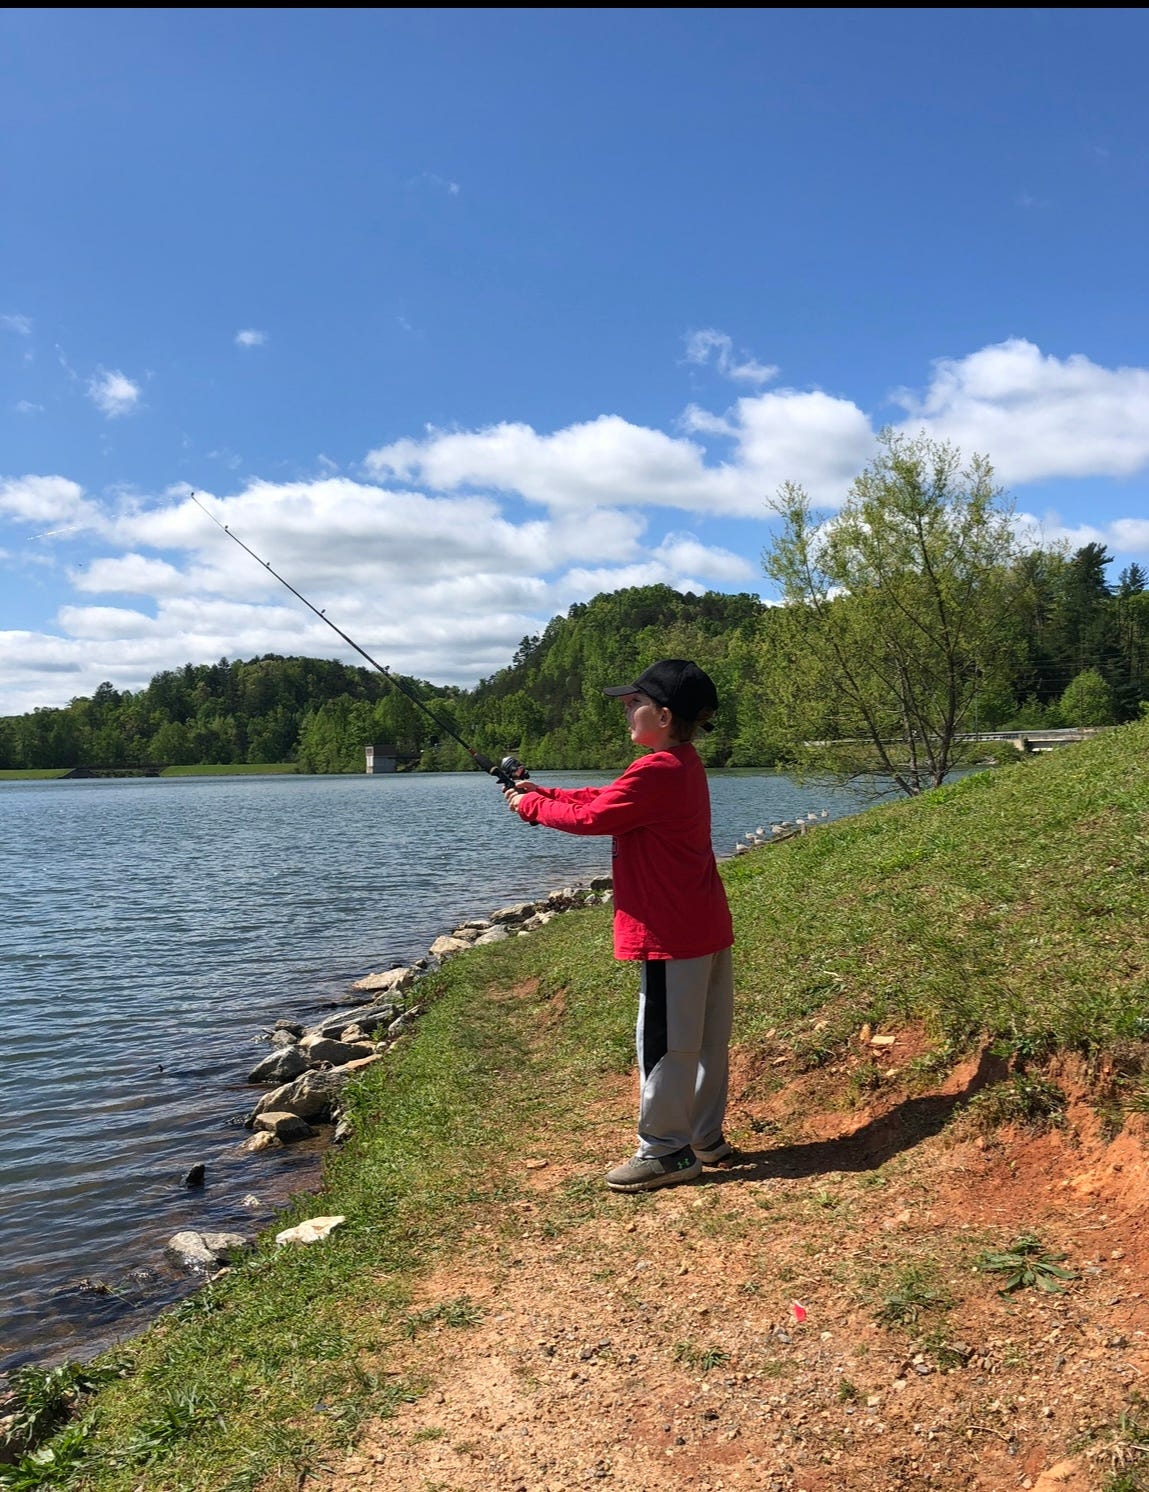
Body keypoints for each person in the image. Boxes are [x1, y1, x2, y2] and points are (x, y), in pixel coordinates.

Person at [503, 659, 735, 1193]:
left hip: (669, 933)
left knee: (663, 1042)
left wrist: (530, 807)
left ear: (664, 713)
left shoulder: (656, 771)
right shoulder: (679, 763)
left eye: (635, 702)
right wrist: (545, 793)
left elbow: (595, 818)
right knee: (704, 1041)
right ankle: (704, 1138)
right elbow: (605, 799)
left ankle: (667, 1151)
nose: (626, 710)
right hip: (702, 927)